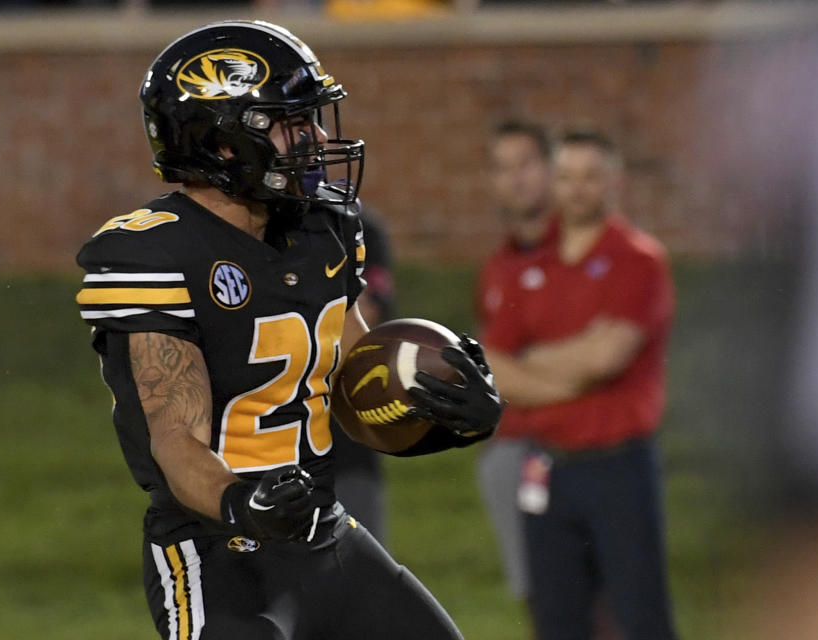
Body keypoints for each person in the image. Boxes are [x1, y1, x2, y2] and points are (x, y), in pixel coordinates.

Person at [74, 20, 502, 640]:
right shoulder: (156, 252)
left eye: (313, 120)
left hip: (322, 530)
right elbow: (176, 441)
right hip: (214, 545)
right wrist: (244, 504)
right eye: (292, 123)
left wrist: (440, 409)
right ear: (224, 143)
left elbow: (356, 384)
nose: (317, 139)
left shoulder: (320, 224)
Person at [481, 127, 679, 640]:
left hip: (617, 467)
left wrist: (530, 364)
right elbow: (495, 372)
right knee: (557, 621)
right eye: (567, 176)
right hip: (544, 468)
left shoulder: (638, 259)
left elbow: (608, 357)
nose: (577, 188)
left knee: (640, 618)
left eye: (591, 176)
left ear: (616, 182)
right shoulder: (522, 264)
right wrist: (571, 364)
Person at [475, 118, 552, 604]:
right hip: (515, 453)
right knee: (542, 599)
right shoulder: (497, 270)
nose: (516, 178)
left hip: (577, 446)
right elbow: (493, 370)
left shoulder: (586, 250)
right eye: (503, 168)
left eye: (525, 163)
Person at [329, 204, 396, 543]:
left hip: (347, 437)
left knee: (362, 570)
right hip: (267, 449)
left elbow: (366, 315)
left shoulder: (360, 226)